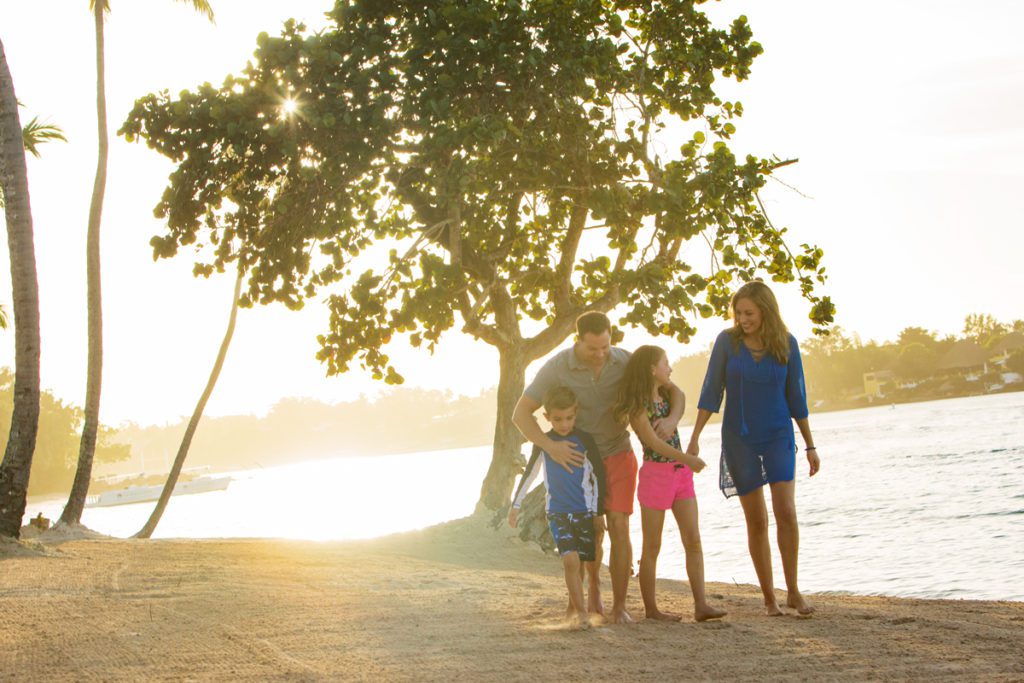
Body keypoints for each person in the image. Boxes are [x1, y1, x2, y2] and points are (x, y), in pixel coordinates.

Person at [512, 311, 685, 625]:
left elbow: (672, 389)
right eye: (593, 348)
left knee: (619, 526)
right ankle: (589, 589)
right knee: (590, 531)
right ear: (578, 341)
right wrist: (550, 446)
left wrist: (671, 420)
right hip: (577, 459)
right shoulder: (556, 367)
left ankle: (620, 608)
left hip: (618, 453)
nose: (601, 354)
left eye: (605, 346)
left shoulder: (626, 361)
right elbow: (521, 413)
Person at [686, 281, 821, 616]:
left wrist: (810, 445)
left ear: (765, 310)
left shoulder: (786, 343)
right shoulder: (727, 343)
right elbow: (710, 390)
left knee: (786, 512)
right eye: (738, 313)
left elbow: (797, 397)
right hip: (740, 438)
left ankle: (792, 591)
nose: (742, 319)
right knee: (756, 519)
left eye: (749, 313)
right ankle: (769, 599)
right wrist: (695, 436)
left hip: (778, 435)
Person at [613, 345, 727, 623]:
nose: (670, 368)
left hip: (680, 476)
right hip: (656, 476)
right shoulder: (638, 407)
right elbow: (653, 444)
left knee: (694, 540)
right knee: (652, 546)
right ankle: (652, 610)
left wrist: (674, 419)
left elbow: (681, 394)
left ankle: (701, 605)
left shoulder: (666, 394)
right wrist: (688, 459)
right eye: (666, 363)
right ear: (652, 368)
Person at [508, 386, 605, 630]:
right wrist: (515, 505)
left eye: (569, 418)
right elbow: (529, 474)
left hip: (583, 511)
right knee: (570, 561)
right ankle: (582, 614)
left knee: (581, 563)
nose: (564, 424)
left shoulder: (584, 440)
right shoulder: (543, 443)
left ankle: (572, 609)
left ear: (576, 413)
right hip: (557, 513)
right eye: (558, 419)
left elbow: (598, 477)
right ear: (547, 417)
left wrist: (597, 513)